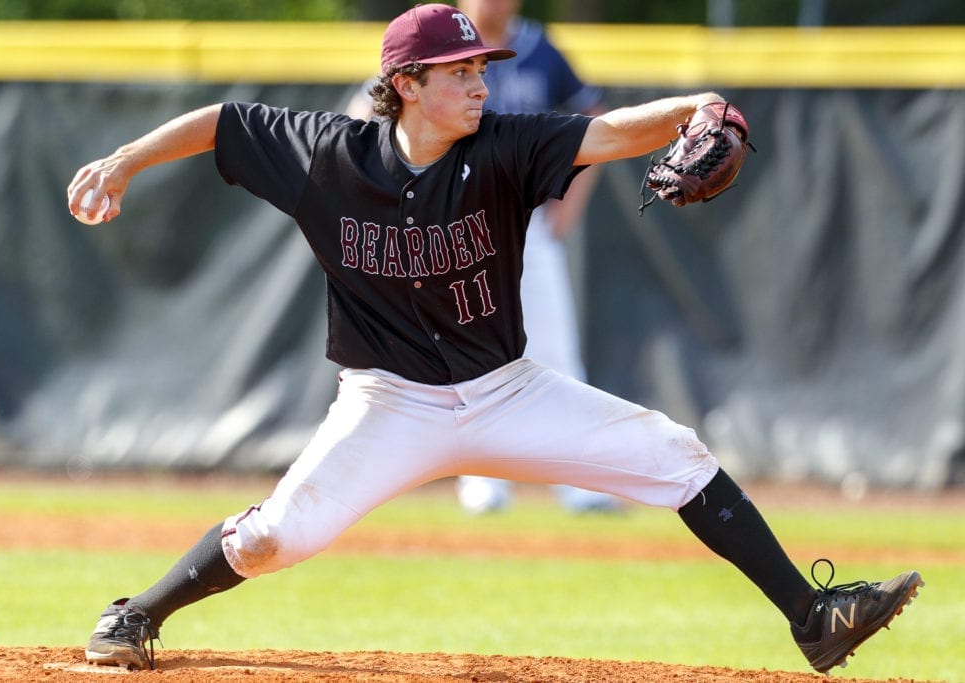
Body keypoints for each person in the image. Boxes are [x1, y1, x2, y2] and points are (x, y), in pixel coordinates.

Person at [68, 3, 922, 675]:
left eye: (483, 68)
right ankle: (138, 610)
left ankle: (815, 619)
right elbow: (220, 122)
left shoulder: (509, 146)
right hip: (387, 403)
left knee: (674, 450)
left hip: (508, 390)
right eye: (462, 72)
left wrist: (701, 108)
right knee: (271, 540)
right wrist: (122, 161)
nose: (482, 86)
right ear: (405, 82)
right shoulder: (329, 154)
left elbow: (620, 130)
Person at [345, 0, 620, 514]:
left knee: (556, 351)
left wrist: (570, 201)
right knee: (465, 358)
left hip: (523, 223)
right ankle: (484, 484)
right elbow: (362, 119)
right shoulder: (436, 41)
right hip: (451, 232)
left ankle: (580, 484)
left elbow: (594, 118)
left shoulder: (540, 49)